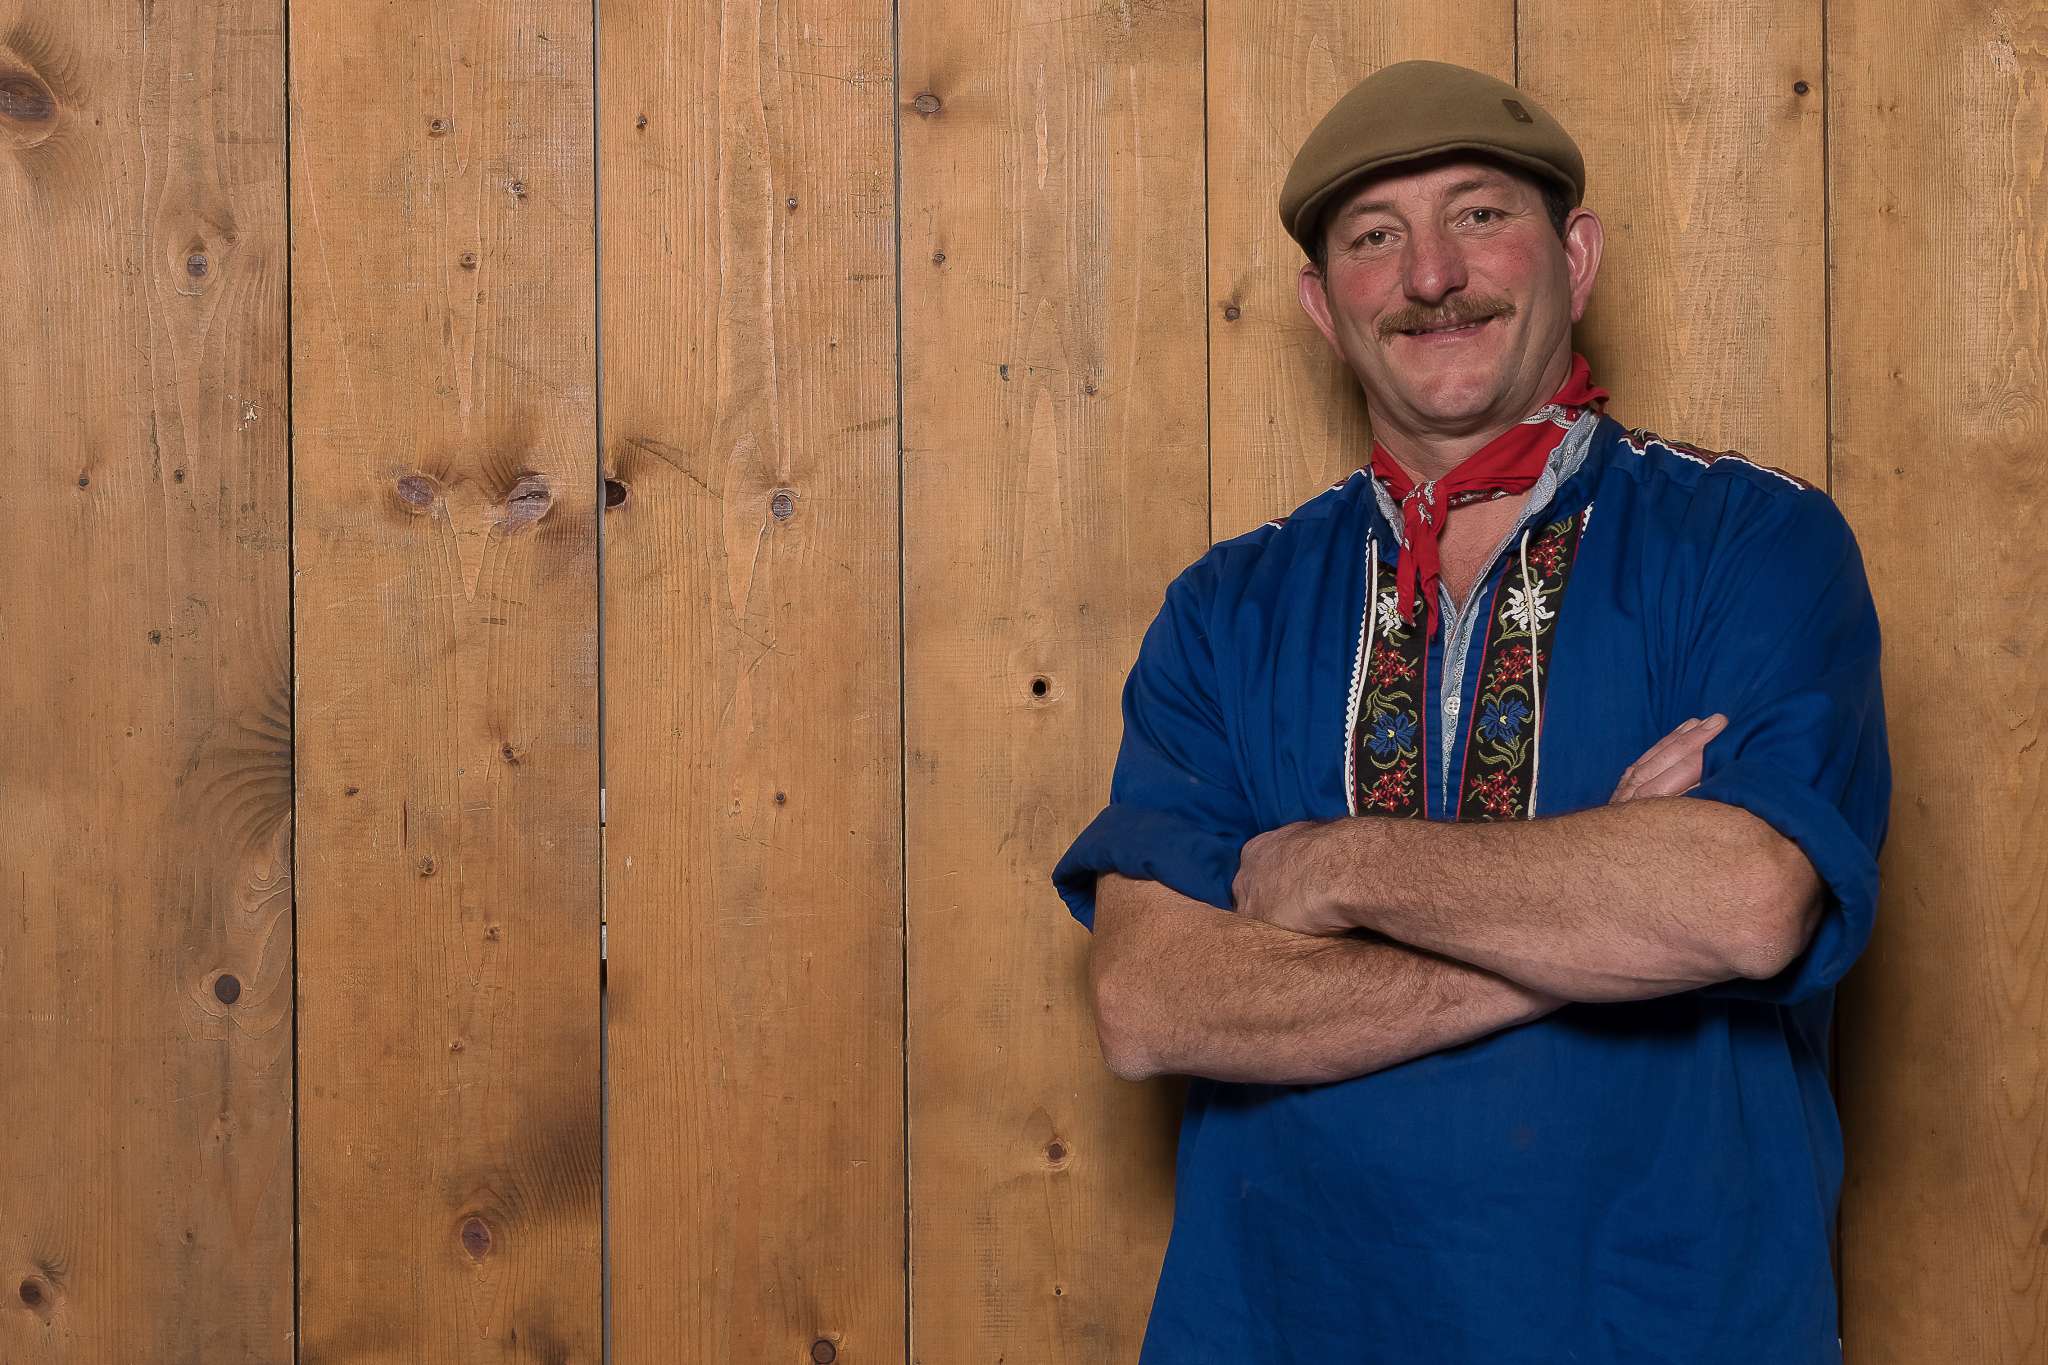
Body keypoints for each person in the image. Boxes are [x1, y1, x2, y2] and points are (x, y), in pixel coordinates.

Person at [1049, 59, 1889, 1364]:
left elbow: (1742, 905)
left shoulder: (1751, 541)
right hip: (1286, 1331)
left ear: (1577, 256)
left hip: (1668, 1326)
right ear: (1323, 308)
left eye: (1480, 214)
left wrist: (1336, 868)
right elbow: (1153, 1001)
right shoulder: (1225, 609)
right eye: (1374, 238)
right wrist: (1601, 916)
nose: (1432, 275)